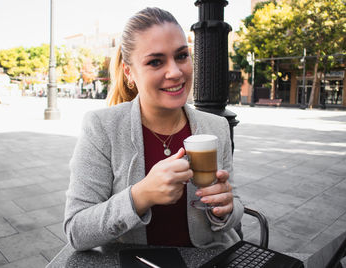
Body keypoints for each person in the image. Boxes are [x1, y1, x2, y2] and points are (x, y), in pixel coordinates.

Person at [64, 7, 244, 251]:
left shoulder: (216, 127)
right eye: (156, 62)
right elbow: (76, 231)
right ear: (129, 72)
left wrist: (226, 208)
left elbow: (233, 212)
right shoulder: (102, 128)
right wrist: (141, 196)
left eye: (181, 56)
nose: (175, 72)